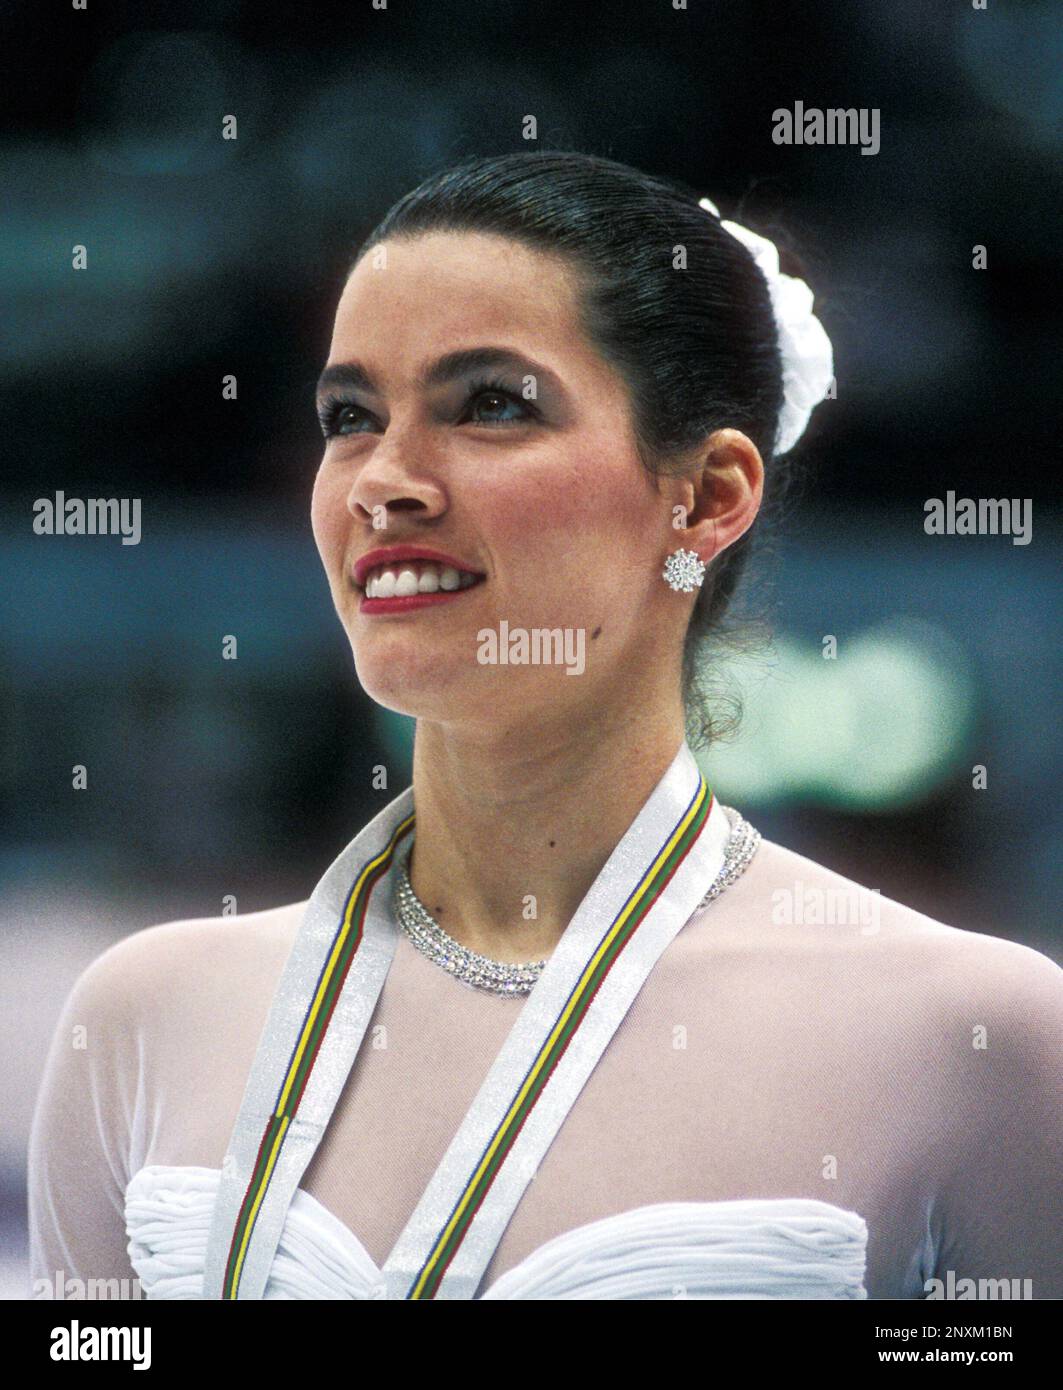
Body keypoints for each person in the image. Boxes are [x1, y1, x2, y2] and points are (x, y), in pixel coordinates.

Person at [27, 151, 1062, 1301]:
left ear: (708, 494)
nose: (385, 480)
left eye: (492, 405)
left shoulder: (974, 1036)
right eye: (349, 415)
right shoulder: (143, 1018)